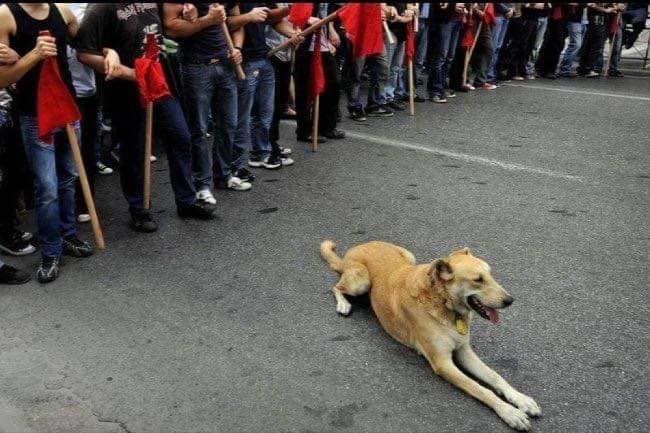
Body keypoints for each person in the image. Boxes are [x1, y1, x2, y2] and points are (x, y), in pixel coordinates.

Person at [76, 3, 216, 235]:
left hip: (158, 80)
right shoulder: (101, 7)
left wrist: (189, 10)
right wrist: (119, 69)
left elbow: (173, 18)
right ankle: (139, 209)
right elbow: (84, 52)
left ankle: (186, 200)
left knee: (180, 136)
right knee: (134, 150)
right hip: (126, 88)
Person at [0, 3, 94, 284]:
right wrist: (33, 55)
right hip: (34, 114)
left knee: (68, 178)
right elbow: (3, 78)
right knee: (47, 187)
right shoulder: (7, 15)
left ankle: (67, 236)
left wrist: (108, 51)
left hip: (66, 108)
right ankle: (50, 251)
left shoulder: (62, 11)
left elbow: (86, 43)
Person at [162, 3, 250, 200]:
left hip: (225, 65)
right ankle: (202, 184)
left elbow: (235, 24)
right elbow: (171, 27)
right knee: (199, 130)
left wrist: (237, 47)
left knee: (228, 125)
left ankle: (224, 175)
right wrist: (208, 20)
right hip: (196, 68)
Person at [228, 3, 298, 175]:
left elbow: (273, 18)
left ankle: (261, 153)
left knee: (265, 113)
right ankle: (234, 166)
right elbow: (228, 22)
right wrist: (248, 17)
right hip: (244, 60)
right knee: (243, 116)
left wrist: (292, 34)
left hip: (263, 57)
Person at [66, 3, 100, 223]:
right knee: (63, 153)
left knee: (87, 147)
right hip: (60, 90)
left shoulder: (92, 6)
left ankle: (84, 201)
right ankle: (67, 206)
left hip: (87, 88)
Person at [293, 3, 345, 143]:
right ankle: (304, 130)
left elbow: (327, 15)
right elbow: (292, 11)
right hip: (304, 44)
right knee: (304, 90)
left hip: (322, 44)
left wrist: (329, 35)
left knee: (333, 85)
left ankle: (327, 127)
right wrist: (305, 19)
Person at [265, 3, 295, 165]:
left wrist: (294, 33)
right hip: (271, 51)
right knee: (270, 104)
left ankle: (273, 142)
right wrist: (291, 8)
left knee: (279, 102)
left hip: (285, 51)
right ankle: (265, 147)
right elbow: (271, 18)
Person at [427, 2, 466, 103]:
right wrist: (453, 5)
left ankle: (441, 86)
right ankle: (435, 90)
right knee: (441, 56)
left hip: (457, 19)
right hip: (445, 19)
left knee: (449, 57)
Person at [578, 3, 618, 78]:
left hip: (601, 20)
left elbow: (615, 7)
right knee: (594, 45)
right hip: (596, 20)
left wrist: (613, 8)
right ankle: (587, 68)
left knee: (592, 45)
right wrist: (607, 10)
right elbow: (592, 5)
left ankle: (585, 68)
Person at [534, 3, 567, 79]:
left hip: (562, 17)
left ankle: (551, 69)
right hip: (551, 15)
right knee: (548, 42)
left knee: (558, 43)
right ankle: (541, 68)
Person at [487, 3, 513, 84]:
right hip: (496, 15)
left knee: (498, 47)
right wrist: (507, 10)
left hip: (505, 16)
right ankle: (488, 76)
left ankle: (491, 74)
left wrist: (511, 8)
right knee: (493, 47)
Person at [558, 4, 587, 78]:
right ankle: (564, 69)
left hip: (583, 20)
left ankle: (565, 68)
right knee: (576, 44)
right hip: (573, 19)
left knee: (577, 44)